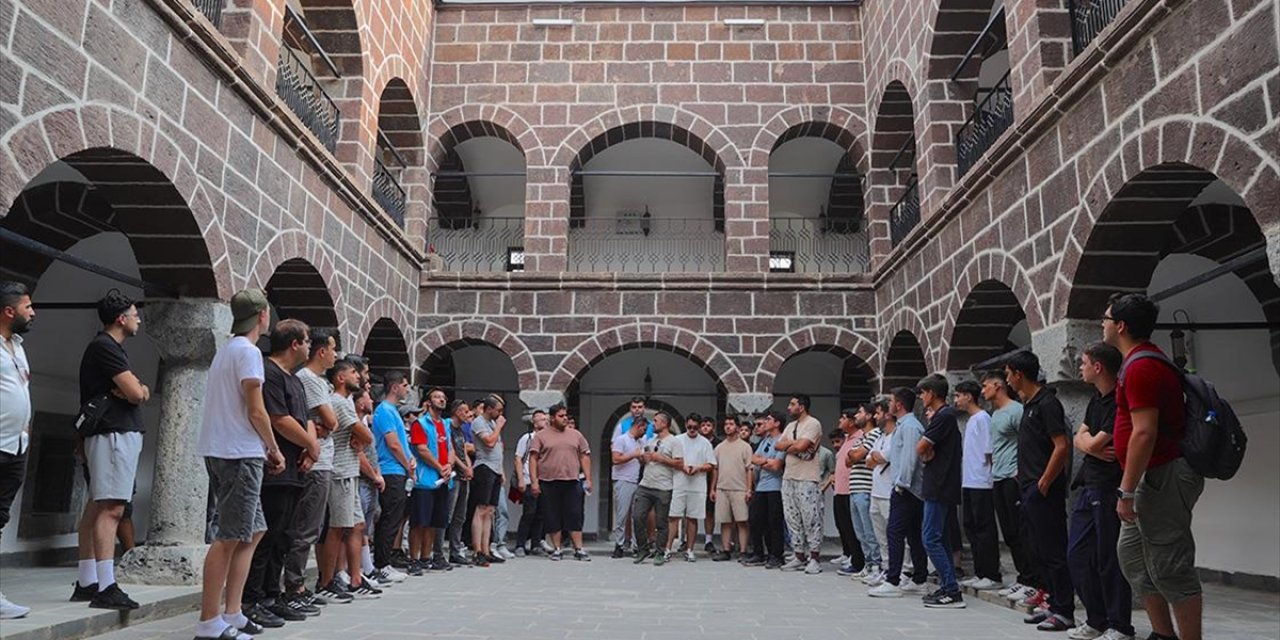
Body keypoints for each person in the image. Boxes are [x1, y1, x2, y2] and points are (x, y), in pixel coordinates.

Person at [1104, 293, 1202, 640]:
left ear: (1121, 326)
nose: (1102, 323)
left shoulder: (1142, 366)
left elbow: (1144, 432)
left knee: (1171, 566)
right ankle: (1163, 634)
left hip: (1162, 474)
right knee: (1133, 557)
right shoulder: (1135, 363)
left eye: (1106, 318)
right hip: (1149, 475)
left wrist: (1126, 491)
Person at [194, 289, 286, 639]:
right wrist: (273, 447)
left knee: (253, 529)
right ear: (262, 315)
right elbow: (256, 409)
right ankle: (208, 621)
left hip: (222, 449)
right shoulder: (248, 353)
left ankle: (232, 611)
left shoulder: (226, 351)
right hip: (239, 453)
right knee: (229, 536)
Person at [73, 291, 149, 610]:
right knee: (112, 509)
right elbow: (135, 392)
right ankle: (106, 586)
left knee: (97, 506)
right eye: (134, 314)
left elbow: (132, 391)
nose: (138, 319)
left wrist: (135, 391)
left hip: (111, 433)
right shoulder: (106, 347)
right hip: (114, 434)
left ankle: (88, 580)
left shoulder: (105, 347)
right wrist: (139, 390)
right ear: (121, 319)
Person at [245, 319, 321, 623]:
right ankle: (251, 599)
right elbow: (278, 419)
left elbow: (305, 420)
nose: (308, 347)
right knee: (265, 538)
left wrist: (308, 448)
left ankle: (271, 595)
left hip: (295, 467)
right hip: (274, 470)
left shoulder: (295, 379)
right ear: (294, 344)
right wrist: (312, 447)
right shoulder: (270, 373)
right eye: (306, 341)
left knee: (283, 538)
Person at [1068, 342, 1134, 640]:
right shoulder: (1096, 400)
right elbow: (1079, 439)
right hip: (1088, 485)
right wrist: (1089, 444)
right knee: (1078, 555)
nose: (1079, 368)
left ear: (1098, 367)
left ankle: (1119, 625)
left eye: (1083, 363)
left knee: (1109, 557)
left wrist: (1089, 444)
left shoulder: (1119, 401)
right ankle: (1096, 619)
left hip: (1108, 486)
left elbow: (1092, 444)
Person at [1005, 350, 1074, 631]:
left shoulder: (1048, 403)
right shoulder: (1029, 405)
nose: (1007, 381)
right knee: (1040, 550)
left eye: (1008, 375)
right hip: (1029, 486)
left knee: (1054, 551)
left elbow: (1061, 445)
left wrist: (1044, 482)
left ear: (1019, 375)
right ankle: (1053, 605)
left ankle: (1065, 611)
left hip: (1043, 490)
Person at [316, 358, 378, 601]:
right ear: (340, 378)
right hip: (340, 470)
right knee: (336, 528)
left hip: (350, 470)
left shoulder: (348, 401)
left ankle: (355, 578)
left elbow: (362, 437)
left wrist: (361, 438)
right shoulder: (339, 402)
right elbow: (365, 434)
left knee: (357, 525)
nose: (358, 377)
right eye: (353, 372)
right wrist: (362, 437)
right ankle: (327, 582)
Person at [289, 328, 338, 607]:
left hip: (322, 460)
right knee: (306, 528)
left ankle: (296, 585)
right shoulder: (310, 380)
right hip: (315, 464)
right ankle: (294, 586)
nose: (335, 354)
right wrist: (324, 427)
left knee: (312, 526)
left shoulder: (318, 381)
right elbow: (331, 422)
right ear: (322, 351)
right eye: (333, 349)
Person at [981, 370, 1036, 602]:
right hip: (998, 477)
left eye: (985, 386)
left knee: (1020, 530)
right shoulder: (995, 413)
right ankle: (1022, 578)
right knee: (1009, 532)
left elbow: (1027, 441)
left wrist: (1019, 472)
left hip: (1012, 478)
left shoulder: (1016, 410)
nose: (983, 391)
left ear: (998, 385)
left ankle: (1032, 580)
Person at [869, 387, 929, 598]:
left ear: (900, 404)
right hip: (906, 488)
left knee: (894, 532)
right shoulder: (903, 426)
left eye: (892, 401)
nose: (889, 405)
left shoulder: (910, 426)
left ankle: (893, 579)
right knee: (913, 534)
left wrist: (901, 484)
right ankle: (920, 577)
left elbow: (910, 459)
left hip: (907, 489)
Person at [914, 374, 966, 609]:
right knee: (941, 538)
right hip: (941, 485)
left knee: (930, 538)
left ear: (932, 393)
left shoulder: (943, 417)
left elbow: (921, 447)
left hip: (939, 486)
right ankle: (947, 585)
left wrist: (926, 452)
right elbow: (926, 450)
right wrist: (927, 453)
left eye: (923, 393)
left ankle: (952, 590)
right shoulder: (942, 418)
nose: (921, 398)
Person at [0, 282, 34, 620]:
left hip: (16, 445)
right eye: (27, 307)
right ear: (9, 311)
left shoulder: (18, 346)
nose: (33, 312)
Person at [953, 380, 1001, 592]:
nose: (956, 400)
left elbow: (989, 452)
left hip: (982, 482)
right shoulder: (972, 420)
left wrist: (989, 478)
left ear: (969, 396)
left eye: (958, 395)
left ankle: (991, 573)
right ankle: (980, 572)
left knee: (984, 529)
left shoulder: (983, 418)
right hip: (969, 481)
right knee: (971, 528)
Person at [529, 403, 592, 561]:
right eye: (561, 416)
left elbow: (585, 455)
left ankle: (578, 548)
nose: (565, 419)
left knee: (575, 515)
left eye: (566, 416)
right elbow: (533, 458)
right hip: (548, 481)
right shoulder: (541, 436)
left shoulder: (576, 435)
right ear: (552, 418)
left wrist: (588, 478)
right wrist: (534, 482)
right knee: (552, 515)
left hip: (572, 480)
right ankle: (557, 549)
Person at [371, 371, 413, 583]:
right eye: (405, 385)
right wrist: (408, 465)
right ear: (395, 387)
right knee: (389, 519)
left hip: (398, 469)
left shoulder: (392, 411)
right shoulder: (385, 411)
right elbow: (393, 444)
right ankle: (382, 564)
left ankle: (383, 562)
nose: (407, 389)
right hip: (391, 470)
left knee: (393, 518)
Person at [407, 388, 454, 573]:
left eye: (443, 397)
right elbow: (422, 449)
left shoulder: (445, 424)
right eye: (436, 397)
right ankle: (413, 559)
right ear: (428, 402)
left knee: (434, 522)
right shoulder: (421, 423)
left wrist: (449, 465)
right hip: (425, 480)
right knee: (420, 521)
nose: (441, 400)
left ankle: (427, 557)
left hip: (442, 479)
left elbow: (450, 447)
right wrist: (439, 467)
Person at [776, 394, 824, 575]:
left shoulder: (813, 424)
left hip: (807, 478)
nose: (789, 407)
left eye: (792, 404)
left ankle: (814, 557)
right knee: (792, 518)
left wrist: (792, 445)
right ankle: (798, 555)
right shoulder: (790, 426)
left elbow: (802, 446)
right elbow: (778, 445)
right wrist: (793, 445)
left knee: (810, 517)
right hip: (789, 477)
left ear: (802, 407)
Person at [631, 412, 681, 565]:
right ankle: (643, 548)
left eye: (656, 421)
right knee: (637, 516)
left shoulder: (674, 442)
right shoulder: (651, 440)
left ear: (665, 424)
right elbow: (646, 461)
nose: (653, 423)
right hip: (645, 485)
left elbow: (680, 464)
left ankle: (660, 552)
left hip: (663, 487)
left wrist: (661, 459)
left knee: (661, 522)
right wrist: (642, 459)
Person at [668, 413, 715, 562]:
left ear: (700, 427)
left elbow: (711, 464)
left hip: (697, 485)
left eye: (695, 427)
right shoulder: (677, 440)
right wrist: (682, 467)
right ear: (685, 425)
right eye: (689, 427)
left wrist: (698, 468)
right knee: (674, 516)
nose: (692, 429)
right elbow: (671, 460)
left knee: (692, 518)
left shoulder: (705, 443)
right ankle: (667, 549)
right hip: (679, 483)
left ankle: (690, 549)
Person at [743, 410, 786, 568]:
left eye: (768, 420)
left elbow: (776, 466)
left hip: (775, 487)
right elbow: (753, 458)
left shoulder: (782, 440)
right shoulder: (765, 440)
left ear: (777, 423)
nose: (765, 422)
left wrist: (763, 461)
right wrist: (766, 461)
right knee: (755, 520)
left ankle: (776, 555)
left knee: (774, 523)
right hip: (761, 487)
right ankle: (758, 553)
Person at [468, 393, 507, 566]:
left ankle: (486, 549)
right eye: (498, 410)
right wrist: (498, 427)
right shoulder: (479, 422)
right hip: (484, 468)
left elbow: (499, 447)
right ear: (489, 409)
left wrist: (502, 472)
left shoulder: (492, 422)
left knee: (490, 511)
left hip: (496, 469)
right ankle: (477, 551)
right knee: (481, 509)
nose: (500, 414)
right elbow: (489, 442)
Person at [847, 404, 882, 580]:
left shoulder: (875, 434)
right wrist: (854, 455)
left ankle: (876, 565)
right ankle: (868, 565)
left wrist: (854, 455)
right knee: (860, 532)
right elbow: (848, 459)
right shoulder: (862, 437)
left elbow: (856, 456)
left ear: (869, 416)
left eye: (859, 412)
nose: (856, 415)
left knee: (869, 531)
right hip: (855, 489)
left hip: (865, 488)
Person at [863, 399, 895, 586]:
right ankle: (885, 567)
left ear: (887, 414)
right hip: (876, 491)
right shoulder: (880, 437)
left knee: (894, 533)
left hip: (889, 491)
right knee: (880, 535)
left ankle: (902, 569)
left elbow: (882, 457)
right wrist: (876, 457)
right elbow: (870, 460)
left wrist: (877, 457)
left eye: (878, 413)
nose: (875, 417)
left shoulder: (896, 435)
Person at [711, 415, 752, 561]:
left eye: (731, 424)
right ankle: (726, 550)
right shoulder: (719, 447)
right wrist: (713, 488)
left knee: (742, 521)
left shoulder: (745, 447)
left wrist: (748, 489)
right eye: (726, 424)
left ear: (737, 427)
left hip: (739, 489)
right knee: (725, 521)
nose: (728, 426)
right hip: (722, 488)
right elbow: (715, 469)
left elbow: (749, 469)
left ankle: (743, 551)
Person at [610, 415, 646, 558]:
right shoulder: (621, 440)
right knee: (621, 515)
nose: (644, 432)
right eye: (643, 428)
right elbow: (615, 459)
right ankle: (619, 545)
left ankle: (637, 546)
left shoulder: (640, 442)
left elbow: (640, 461)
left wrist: (641, 457)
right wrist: (633, 454)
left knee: (637, 516)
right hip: (622, 480)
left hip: (636, 480)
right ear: (638, 426)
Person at [831, 409, 861, 573]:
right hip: (840, 490)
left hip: (851, 489)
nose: (839, 421)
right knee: (843, 525)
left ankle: (858, 561)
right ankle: (850, 555)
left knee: (853, 527)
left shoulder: (860, 437)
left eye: (843, 418)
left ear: (852, 421)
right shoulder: (847, 439)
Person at [513, 410, 546, 556]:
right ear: (534, 422)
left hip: (544, 480)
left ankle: (536, 543)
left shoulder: (548, 439)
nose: (544, 421)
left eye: (545, 419)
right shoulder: (527, 438)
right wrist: (521, 479)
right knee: (529, 512)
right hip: (528, 479)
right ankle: (520, 544)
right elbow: (518, 458)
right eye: (541, 419)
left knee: (541, 514)